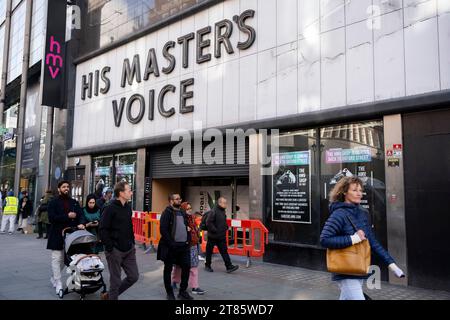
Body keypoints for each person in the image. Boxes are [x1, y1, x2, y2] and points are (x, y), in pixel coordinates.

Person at [320, 176, 405, 300]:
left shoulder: (363, 213)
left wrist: (391, 264)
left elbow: (372, 241)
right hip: (345, 269)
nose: (359, 193)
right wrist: (353, 239)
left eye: (360, 190)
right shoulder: (339, 214)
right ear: (344, 192)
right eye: (354, 190)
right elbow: (325, 239)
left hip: (358, 267)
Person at [99, 181, 139, 300]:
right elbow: (103, 229)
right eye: (129, 190)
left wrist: (132, 243)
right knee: (115, 282)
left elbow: (128, 226)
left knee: (134, 276)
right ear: (121, 193)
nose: (131, 192)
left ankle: (109, 295)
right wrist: (110, 247)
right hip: (115, 250)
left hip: (129, 249)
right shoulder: (109, 208)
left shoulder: (127, 207)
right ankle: (112, 296)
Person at [47, 181, 85, 295]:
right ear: (59, 189)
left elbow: (81, 215)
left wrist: (81, 223)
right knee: (56, 258)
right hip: (57, 234)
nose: (66, 188)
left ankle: (54, 276)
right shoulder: (53, 202)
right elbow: (52, 218)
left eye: (68, 187)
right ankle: (58, 282)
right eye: (64, 187)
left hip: (71, 235)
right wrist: (66, 216)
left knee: (66, 259)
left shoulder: (74, 202)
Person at [157, 193, 193, 300]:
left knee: (186, 267)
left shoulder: (182, 212)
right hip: (171, 247)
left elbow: (186, 226)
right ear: (171, 201)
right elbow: (163, 230)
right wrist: (171, 243)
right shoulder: (167, 213)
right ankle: (169, 293)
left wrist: (188, 240)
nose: (179, 200)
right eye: (177, 199)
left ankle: (182, 292)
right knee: (168, 269)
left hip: (184, 247)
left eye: (180, 198)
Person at [171, 202, 206, 295]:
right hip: (182, 246)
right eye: (187, 208)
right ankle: (174, 281)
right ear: (183, 210)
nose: (190, 210)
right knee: (178, 266)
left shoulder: (192, 219)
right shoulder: (180, 219)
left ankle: (195, 287)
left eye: (190, 208)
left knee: (193, 267)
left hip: (193, 246)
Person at [204, 197, 239, 273]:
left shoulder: (222, 211)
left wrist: (225, 227)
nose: (226, 204)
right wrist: (215, 230)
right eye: (224, 203)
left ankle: (229, 266)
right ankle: (207, 265)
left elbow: (222, 221)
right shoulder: (214, 211)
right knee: (209, 251)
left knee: (224, 251)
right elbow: (208, 222)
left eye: (226, 202)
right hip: (213, 236)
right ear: (220, 203)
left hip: (221, 236)